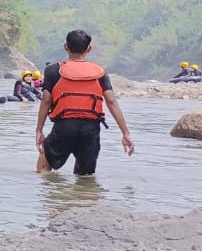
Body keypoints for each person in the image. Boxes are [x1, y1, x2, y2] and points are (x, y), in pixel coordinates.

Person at [35, 29, 136, 176]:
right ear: (89, 49)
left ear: (66, 47)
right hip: (90, 130)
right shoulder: (100, 72)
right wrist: (125, 133)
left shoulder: (53, 70)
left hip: (64, 127)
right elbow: (111, 102)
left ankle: (50, 197)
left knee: (44, 167)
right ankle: (85, 197)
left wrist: (39, 130)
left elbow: (46, 101)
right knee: (86, 177)